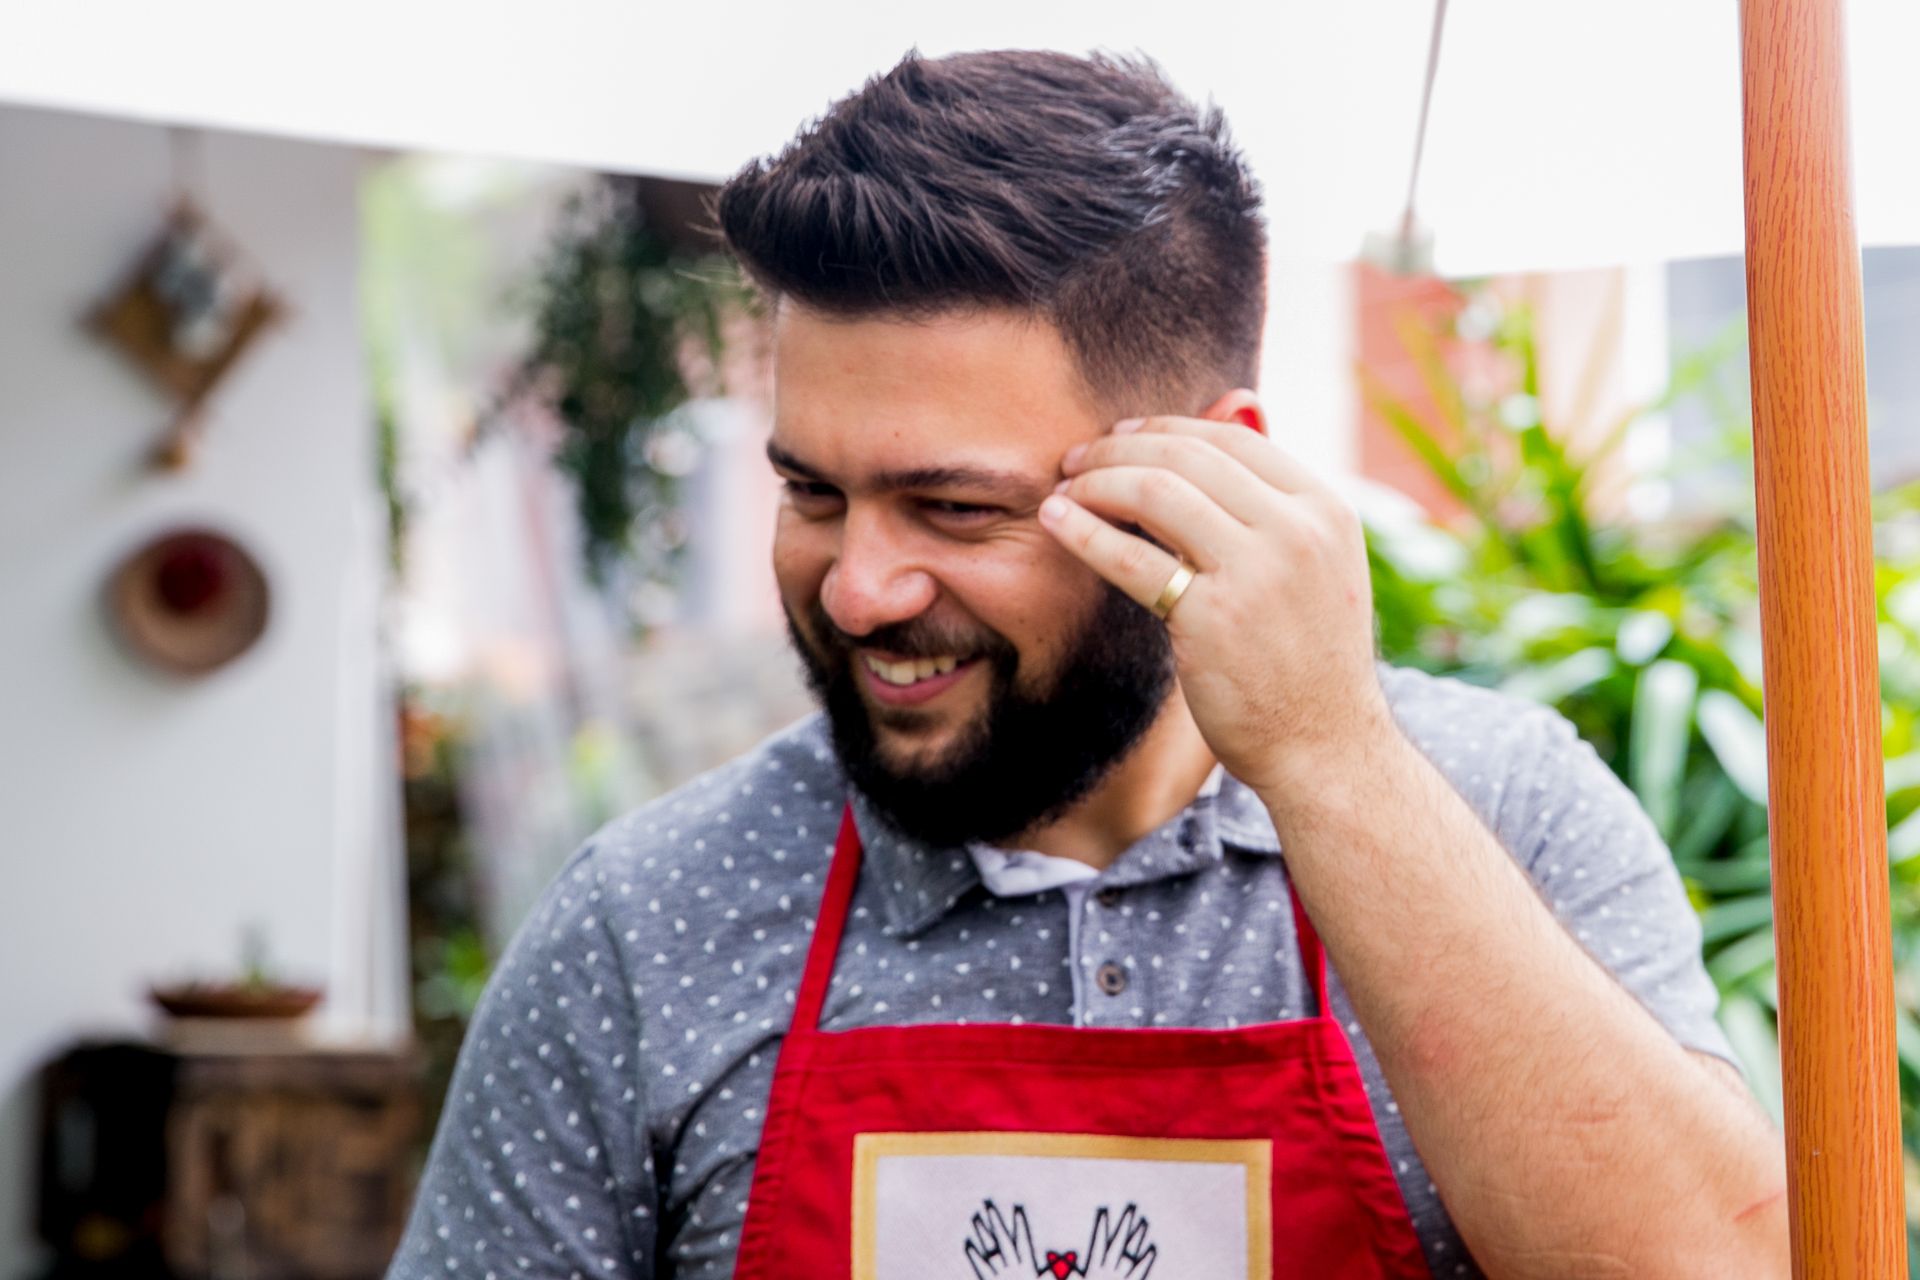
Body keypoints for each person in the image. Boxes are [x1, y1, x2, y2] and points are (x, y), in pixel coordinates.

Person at [387, 48, 1788, 1280]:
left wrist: (1327, 756)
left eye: (957, 508)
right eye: (814, 493)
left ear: (1210, 469)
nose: (861, 587)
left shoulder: (1506, 815)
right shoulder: (652, 921)